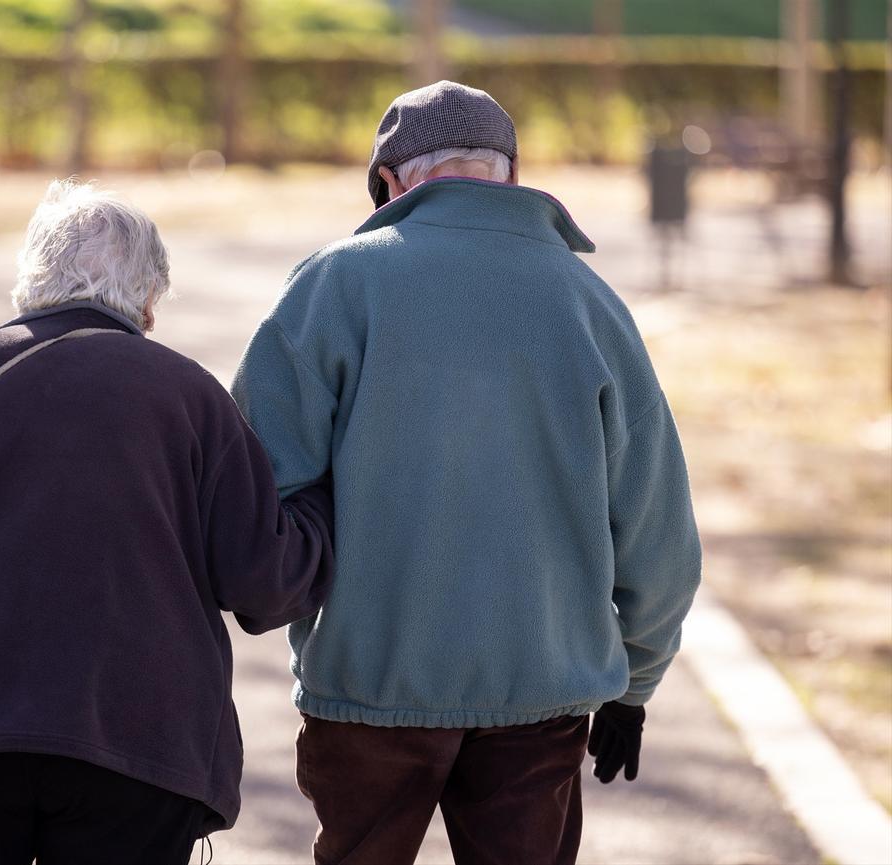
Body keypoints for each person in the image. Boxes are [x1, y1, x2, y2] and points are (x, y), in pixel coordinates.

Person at [230, 80, 702, 865]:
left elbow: (258, 491)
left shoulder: (332, 286)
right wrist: (634, 683)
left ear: (390, 183)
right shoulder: (588, 301)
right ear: (511, 175)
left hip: (368, 685)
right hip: (541, 691)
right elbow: (659, 529)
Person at [0, 181, 335, 865]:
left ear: (30, 282)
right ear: (148, 300)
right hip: (138, 743)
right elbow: (264, 582)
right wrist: (321, 505)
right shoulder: (192, 398)